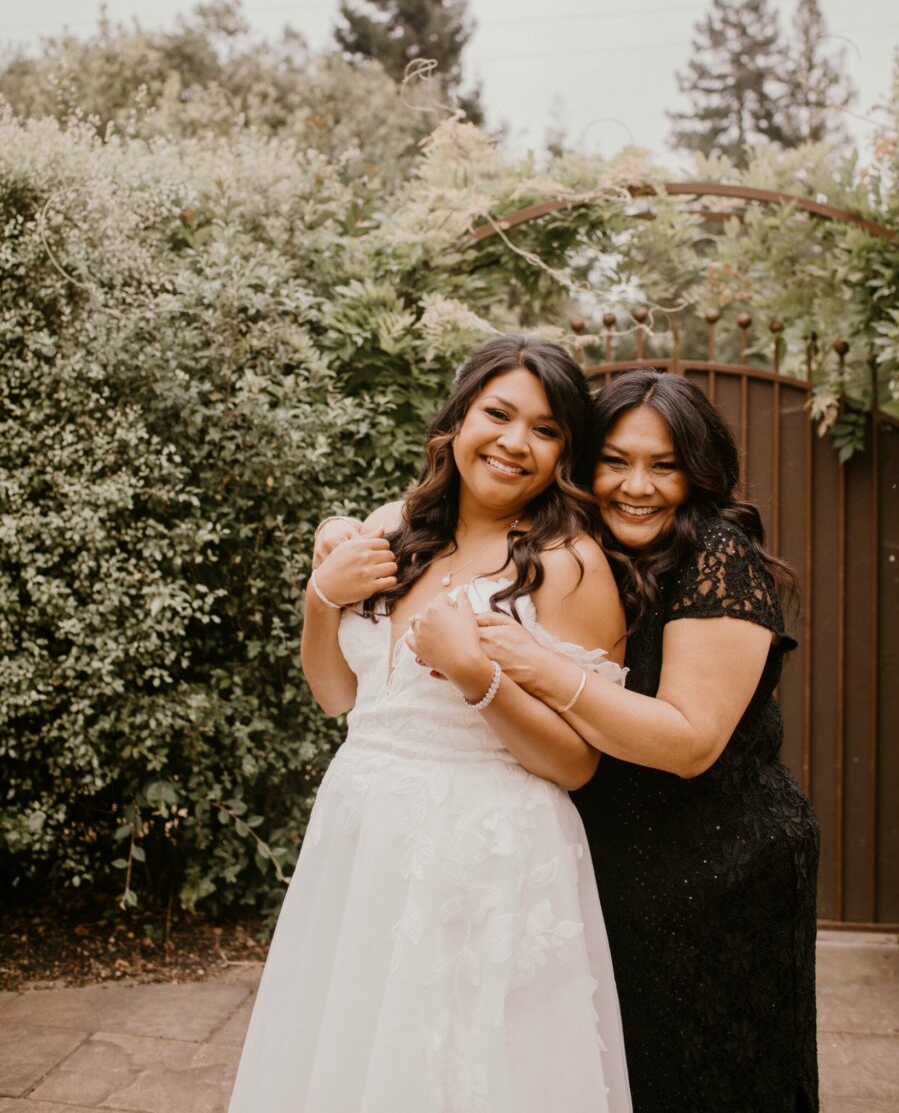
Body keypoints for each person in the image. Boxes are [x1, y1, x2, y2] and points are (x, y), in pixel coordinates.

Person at [228, 336, 632, 1113]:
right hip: (360, 836)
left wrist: (482, 679)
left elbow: (578, 765)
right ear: (457, 420)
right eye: (500, 413)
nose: (516, 442)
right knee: (348, 1059)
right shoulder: (393, 524)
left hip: (485, 857)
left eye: (545, 431)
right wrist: (320, 597)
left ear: (565, 456)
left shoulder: (569, 564)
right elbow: (337, 698)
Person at [471, 370, 820, 1112]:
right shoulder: (578, 546)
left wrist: (535, 664)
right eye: (616, 461)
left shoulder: (718, 558)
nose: (638, 486)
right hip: (610, 863)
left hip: (719, 868)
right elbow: (457, 518)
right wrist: (347, 534)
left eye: (663, 465)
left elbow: (689, 740)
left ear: (698, 472)